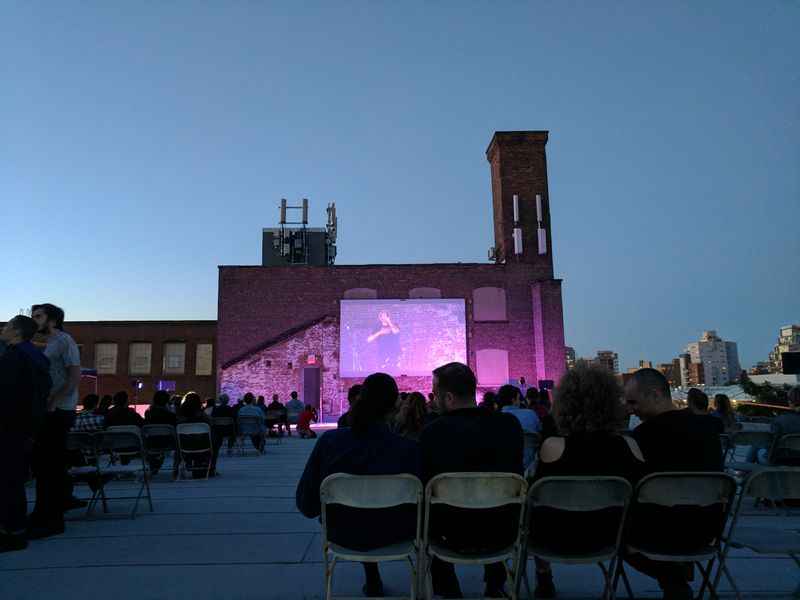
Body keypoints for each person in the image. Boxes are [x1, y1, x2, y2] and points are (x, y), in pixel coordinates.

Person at [296, 372, 420, 597]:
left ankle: (372, 577)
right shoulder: (409, 450)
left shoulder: (330, 443)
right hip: (399, 533)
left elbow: (306, 505)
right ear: (394, 406)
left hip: (343, 533)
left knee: (362, 514)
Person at [530, 364, 645, 598]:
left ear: (565, 405)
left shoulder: (554, 446)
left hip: (554, 540)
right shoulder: (630, 447)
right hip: (611, 539)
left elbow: (536, 500)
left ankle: (544, 575)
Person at [420, 362, 524, 599]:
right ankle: (496, 582)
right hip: (502, 532)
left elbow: (424, 485)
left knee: (430, 506)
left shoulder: (432, 433)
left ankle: (448, 589)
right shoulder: (508, 426)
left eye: (435, 394)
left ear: (448, 397)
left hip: (449, 536)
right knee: (498, 500)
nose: (433, 400)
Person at [624, 368, 725, 600]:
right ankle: (675, 577)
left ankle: (672, 579)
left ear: (657, 394)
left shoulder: (640, 437)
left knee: (612, 531)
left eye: (633, 402)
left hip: (656, 534)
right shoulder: (708, 429)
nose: (629, 409)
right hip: (706, 530)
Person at [28, 303, 82, 539]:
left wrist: (54, 401)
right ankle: (44, 512)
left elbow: (74, 376)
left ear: (52, 320)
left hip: (59, 409)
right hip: (43, 407)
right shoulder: (38, 342)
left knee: (49, 463)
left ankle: (51, 518)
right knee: (43, 463)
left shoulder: (64, 341)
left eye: (38, 316)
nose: (34, 320)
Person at [0, 316, 51, 553]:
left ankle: (10, 533)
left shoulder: (13, 357)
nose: (4, 329)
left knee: (7, 480)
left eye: (8, 326)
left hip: (9, 426)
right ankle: (16, 529)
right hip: (27, 427)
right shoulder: (38, 357)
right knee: (14, 479)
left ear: (17, 332)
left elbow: (6, 394)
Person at [498, 384, 541, 469]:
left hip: (503, 469)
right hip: (530, 467)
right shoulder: (531, 414)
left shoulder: (494, 420)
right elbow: (540, 436)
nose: (520, 402)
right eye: (518, 399)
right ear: (513, 400)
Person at [178, 391, 220, 476]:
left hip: (184, 445)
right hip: (202, 445)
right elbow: (211, 424)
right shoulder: (203, 416)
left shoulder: (179, 417)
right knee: (216, 438)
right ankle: (211, 467)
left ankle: (185, 463)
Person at [768, 386, 800, 465]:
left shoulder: (780, 420)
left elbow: (772, 442)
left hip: (783, 461)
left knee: (757, 449)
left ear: (791, 402)